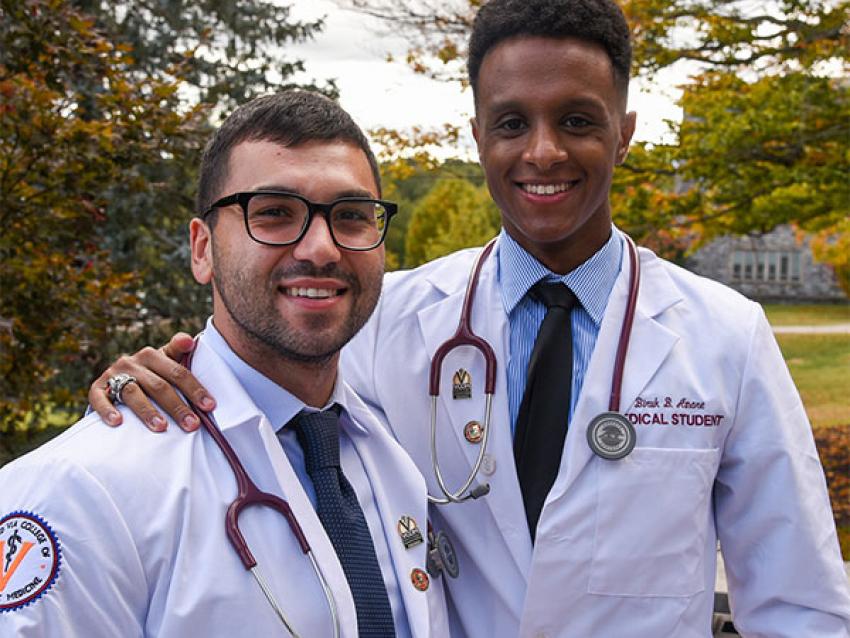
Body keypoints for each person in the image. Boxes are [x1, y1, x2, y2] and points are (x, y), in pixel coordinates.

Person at [87, 0, 850, 636]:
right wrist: (147, 377)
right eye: (512, 123)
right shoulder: (393, 318)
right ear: (478, 135)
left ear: (625, 131)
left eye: (579, 121)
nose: (543, 152)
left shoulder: (725, 336)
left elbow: (800, 606)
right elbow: (264, 389)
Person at [0, 91, 450, 637]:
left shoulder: (392, 450)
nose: (321, 248)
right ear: (203, 249)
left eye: (351, 216)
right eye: (275, 213)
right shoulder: (82, 489)